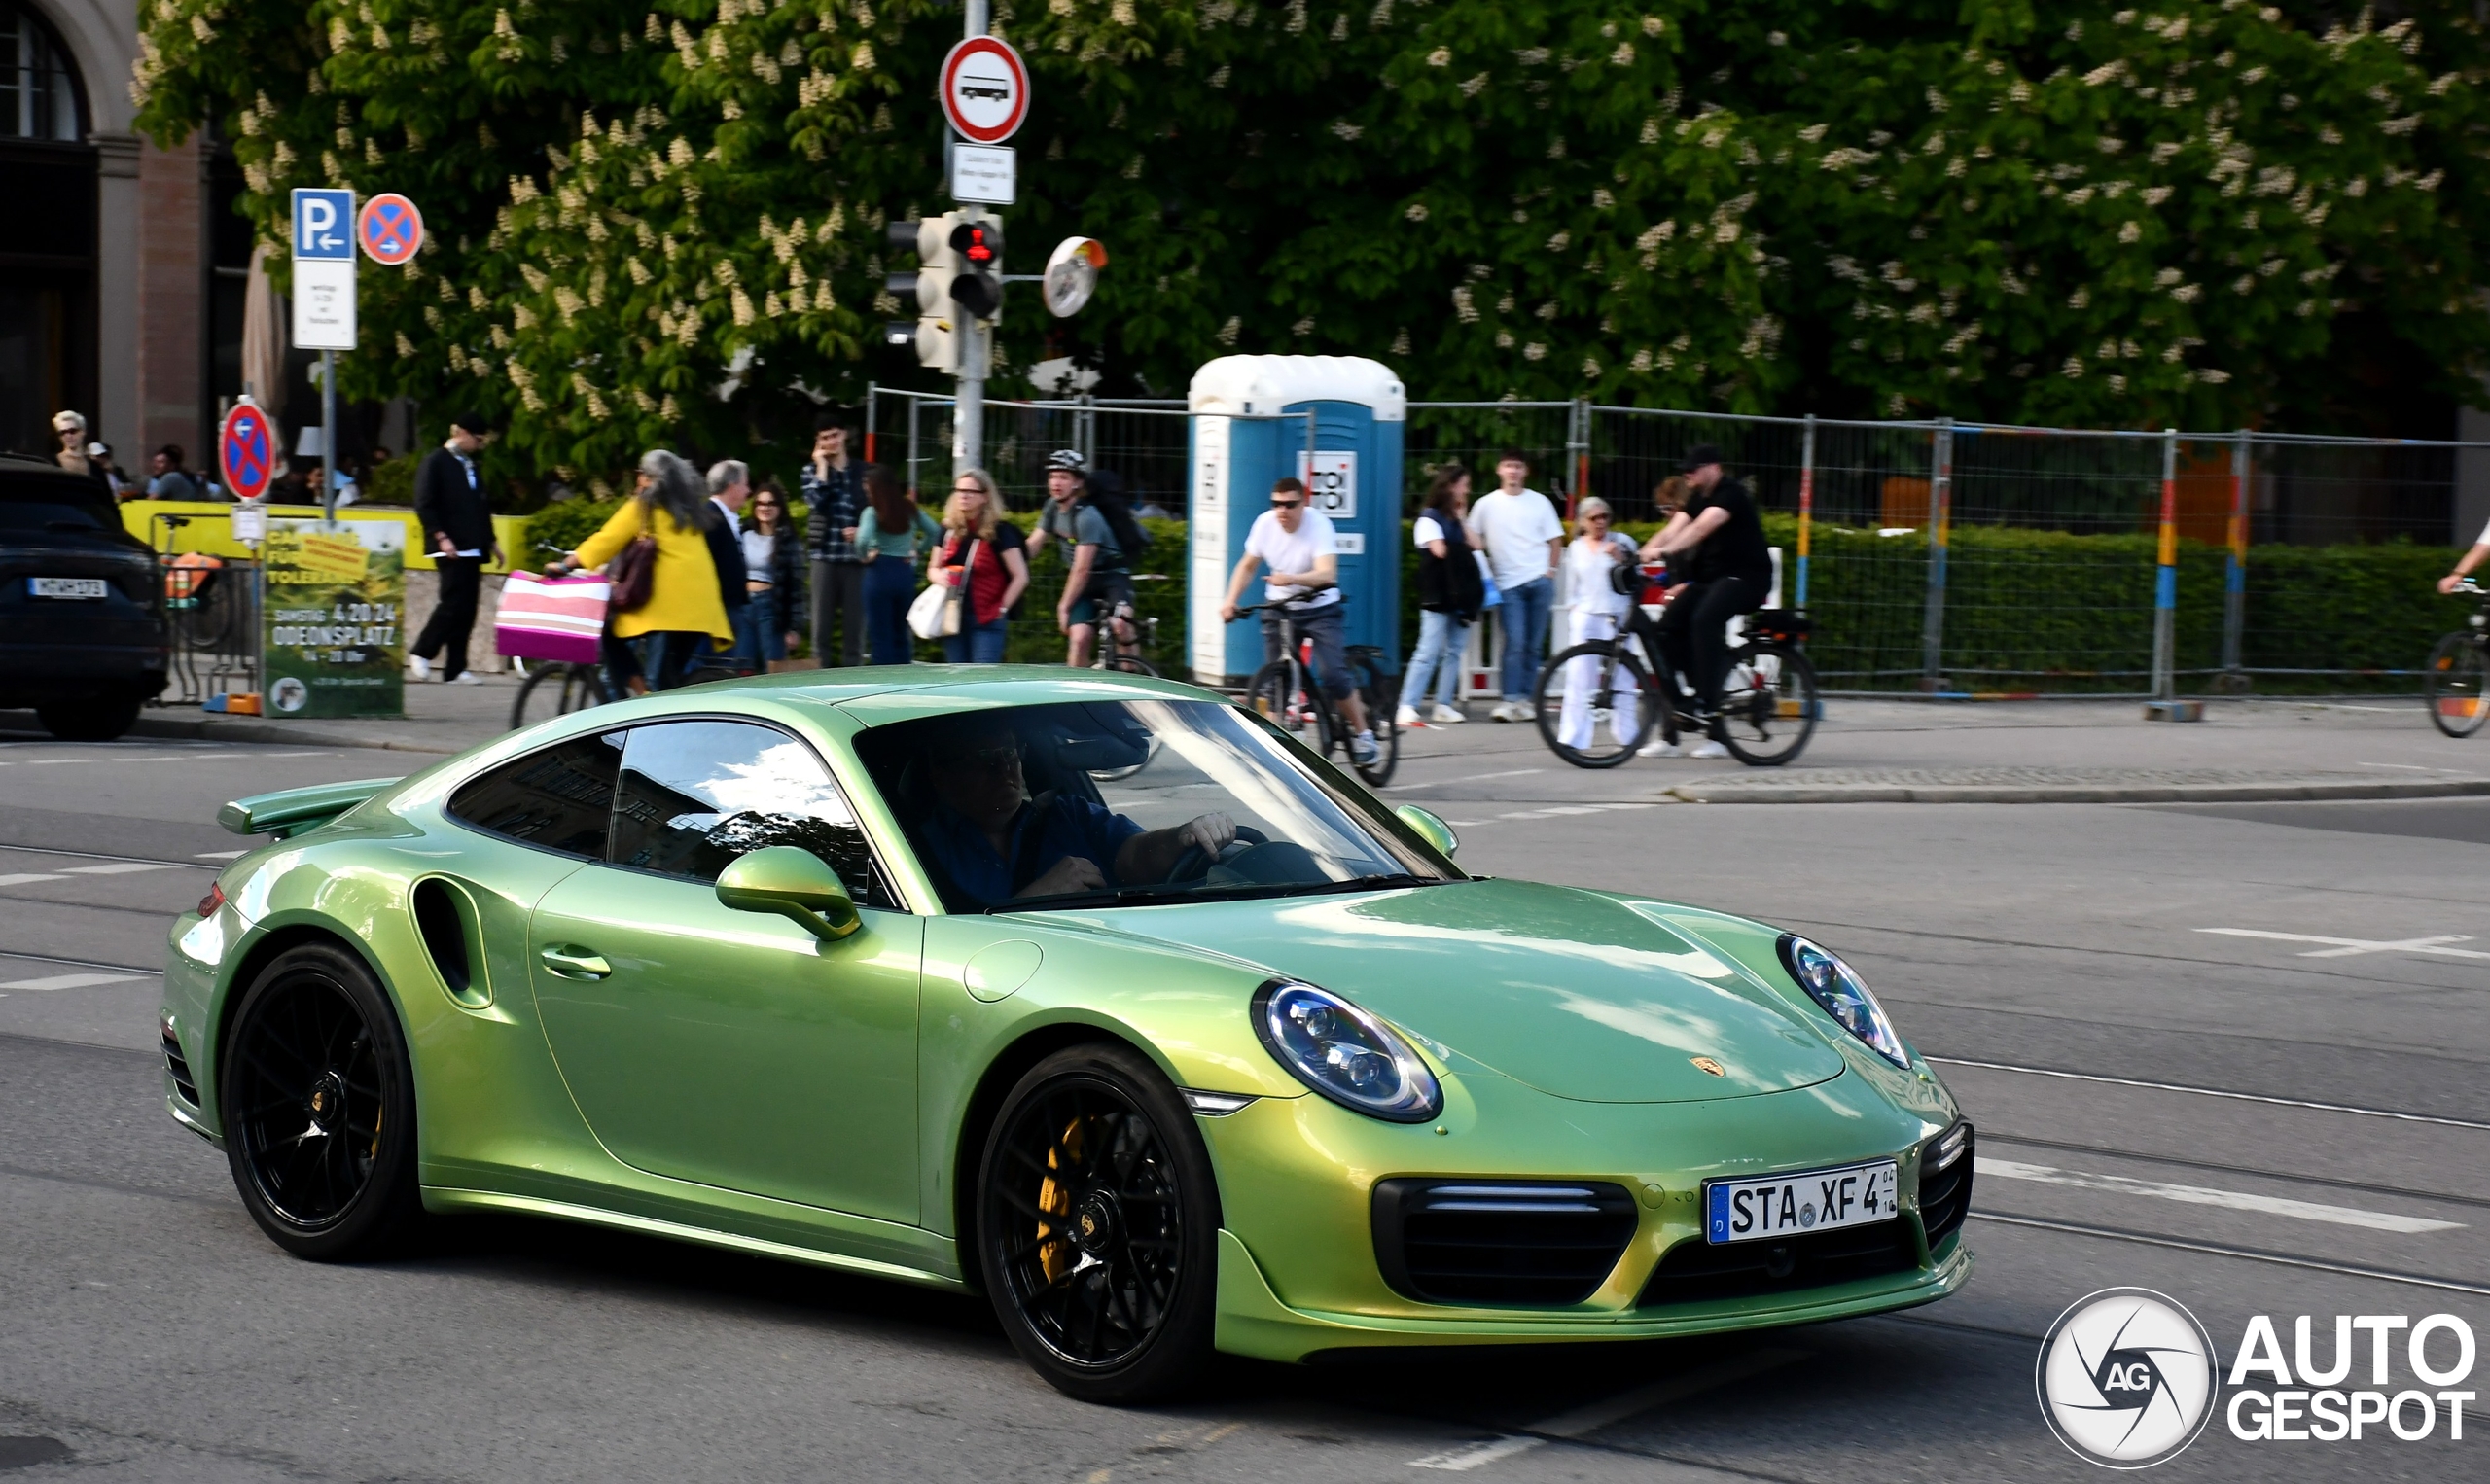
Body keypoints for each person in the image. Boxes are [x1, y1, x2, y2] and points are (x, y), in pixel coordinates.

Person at [909, 710, 1237, 905]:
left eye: (1009, 752)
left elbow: (1137, 855)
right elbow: (941, 944)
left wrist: (1184, 835)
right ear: (942, 775)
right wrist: (1036, 897)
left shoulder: (1069, 815)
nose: (1003, 767)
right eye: (984, 758)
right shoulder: (920, 848)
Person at [1218, 476, 1380, 764]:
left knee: (1333, 675)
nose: (1282, 511)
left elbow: (1327, 573)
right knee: (1276, 679)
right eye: (1277, 504)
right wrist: (1231, 601)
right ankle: (1275, 749)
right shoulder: (1265, 525)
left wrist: (1291, 578)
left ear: (1304, 503)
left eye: (1290, 504)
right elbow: (1247, 565)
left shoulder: (1319, 526)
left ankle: (1364, 734)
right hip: (1281, 607)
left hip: (1320, 607)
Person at [551, 449, 729, 692]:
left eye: (642, 474)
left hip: (668, 612)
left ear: (652, 479)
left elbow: (606, 540)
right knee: (670, 683)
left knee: (614, 641)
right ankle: (653, 704)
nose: (638, 480)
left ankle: (643, 697)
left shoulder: (643, 507)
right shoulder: (688, 512)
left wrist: (564, 566)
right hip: (702, 610)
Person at [1642, 443, 1774, 760]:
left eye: (1693, 469)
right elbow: (1675, 526)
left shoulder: (1731, 494)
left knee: (1704, 620)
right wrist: (1643, 552)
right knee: (1666, 630)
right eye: (1685, 470)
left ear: (1713, 467)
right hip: (1713, 580)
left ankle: (1710, 707)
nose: (1688, 475)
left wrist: (1666, 552)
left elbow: (1701, 527)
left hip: (1746, 578)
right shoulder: (1698, 497)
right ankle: (1687, 705)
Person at [1469, 450, 1563, 722]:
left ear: (1525, 471)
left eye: (1518, 466)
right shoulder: (1486, 505)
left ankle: (1526, 699)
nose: (1513, 471)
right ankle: (1510, 699)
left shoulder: (1540, 502)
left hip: (1539, 581)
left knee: (1533, 645)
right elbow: (1474, 539)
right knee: (1516, 642)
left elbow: (1555, 540)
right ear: (1499, 469)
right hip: (1508, 584)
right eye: (1508, 466)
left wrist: (1550, 572)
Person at [408, 413, 501, 686]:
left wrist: (492, 541)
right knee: (452, 602)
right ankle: (422, 651)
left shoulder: (470, 465)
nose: (480, 444)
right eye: (477, 438)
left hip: (472, 545)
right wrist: (440, 536)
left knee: (467, 608)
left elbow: (480, 507)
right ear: (461, 432)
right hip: (449, 545)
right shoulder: (436, 462)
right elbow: (425, 503)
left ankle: (456, 667)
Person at [1026, 449, 1137, 667]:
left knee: (1120, 624)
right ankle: (1078, 692)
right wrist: (1006, 559)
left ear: (1077, 483)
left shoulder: (1088, 516)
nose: (1056, 483)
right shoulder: (1052, 507)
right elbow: (1033, 545)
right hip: (1085, 584)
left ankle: (1132, 679)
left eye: (1063, 477)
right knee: (1079, 638)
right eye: (1053, 476)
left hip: (1112, 576)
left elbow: (1082, 568)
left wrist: (1064, 606)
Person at [1552, 497, 1644, 754]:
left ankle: (1628, 735)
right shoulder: (1577, 548)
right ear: (1583, 522)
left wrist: (1622, 557)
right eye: (1594, 518)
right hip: (1587, 615)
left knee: (1624, 676)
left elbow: (1637, 572)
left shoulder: (1622, 541)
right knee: (1580, 677)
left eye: (1604, 516)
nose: (1600, 522)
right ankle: (1573, 737)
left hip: (1617, 613)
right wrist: (1575, 613)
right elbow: (1572, 589)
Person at [1399, 465, 1484, 728]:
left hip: (1459, 593)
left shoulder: (1455, 521)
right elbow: (1439, 550)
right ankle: (1407, 704)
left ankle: (1444, 703)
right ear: (1450, 486)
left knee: (1454, 650)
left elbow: (1478, 544)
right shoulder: (1429, 518)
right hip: (1438, 591)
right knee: (1429, 648)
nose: (1467, 490)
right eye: (1463, 485)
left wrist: (1461, 518)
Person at [931, 469, 1030, 663]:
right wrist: (938, 577)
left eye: (970, 491)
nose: (963, 495)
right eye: (959, 490)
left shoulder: (1000, 532)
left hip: (986, 618)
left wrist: (1001, 609)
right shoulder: (947, 529)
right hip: (952, 616)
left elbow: (1021, 576)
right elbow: (933, 568)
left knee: (982, 679)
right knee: (956, 677)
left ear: (985, 497)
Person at [852, 464, 943, 666]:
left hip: (879, 572)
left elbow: (862, 539)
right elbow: (935, 531)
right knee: (901, 634)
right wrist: (917, 551)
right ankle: (905, 682)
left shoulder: (872, 512)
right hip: (904, 571)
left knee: (880, 637)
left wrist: (864, 556)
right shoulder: (909, 508)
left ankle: (882, 685)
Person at [800, 416, 868, 666]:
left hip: (855, 559)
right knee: (820, 634)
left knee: (855, 634)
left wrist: (863, 530)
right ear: (818, 442)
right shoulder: (811, 472)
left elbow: (876, 512)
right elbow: (815, 502)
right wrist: (821, 466)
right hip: (824, 557)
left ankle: (853, 688)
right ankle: (821, 688)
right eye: (825, 437)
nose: (831, 442)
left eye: (835, 435)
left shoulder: (862, 471)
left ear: (844, 435)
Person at [734, 479, 806, 664]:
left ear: (780, 507)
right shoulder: (744, 534)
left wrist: (794, 628)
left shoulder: (788, 541)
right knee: (742, 666)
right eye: (760, 503)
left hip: (771, 607)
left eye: (771, 503)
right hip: (744, 604)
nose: (765, 508)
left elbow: (796, 588)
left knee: (774, 664)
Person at [701, 459, 753, 661]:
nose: (748, 491)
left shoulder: (721, 516)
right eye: (745, 484)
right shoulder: (711, 517)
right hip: (718, 610)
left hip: (727, 607)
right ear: (732, 487)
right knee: (715, 668)